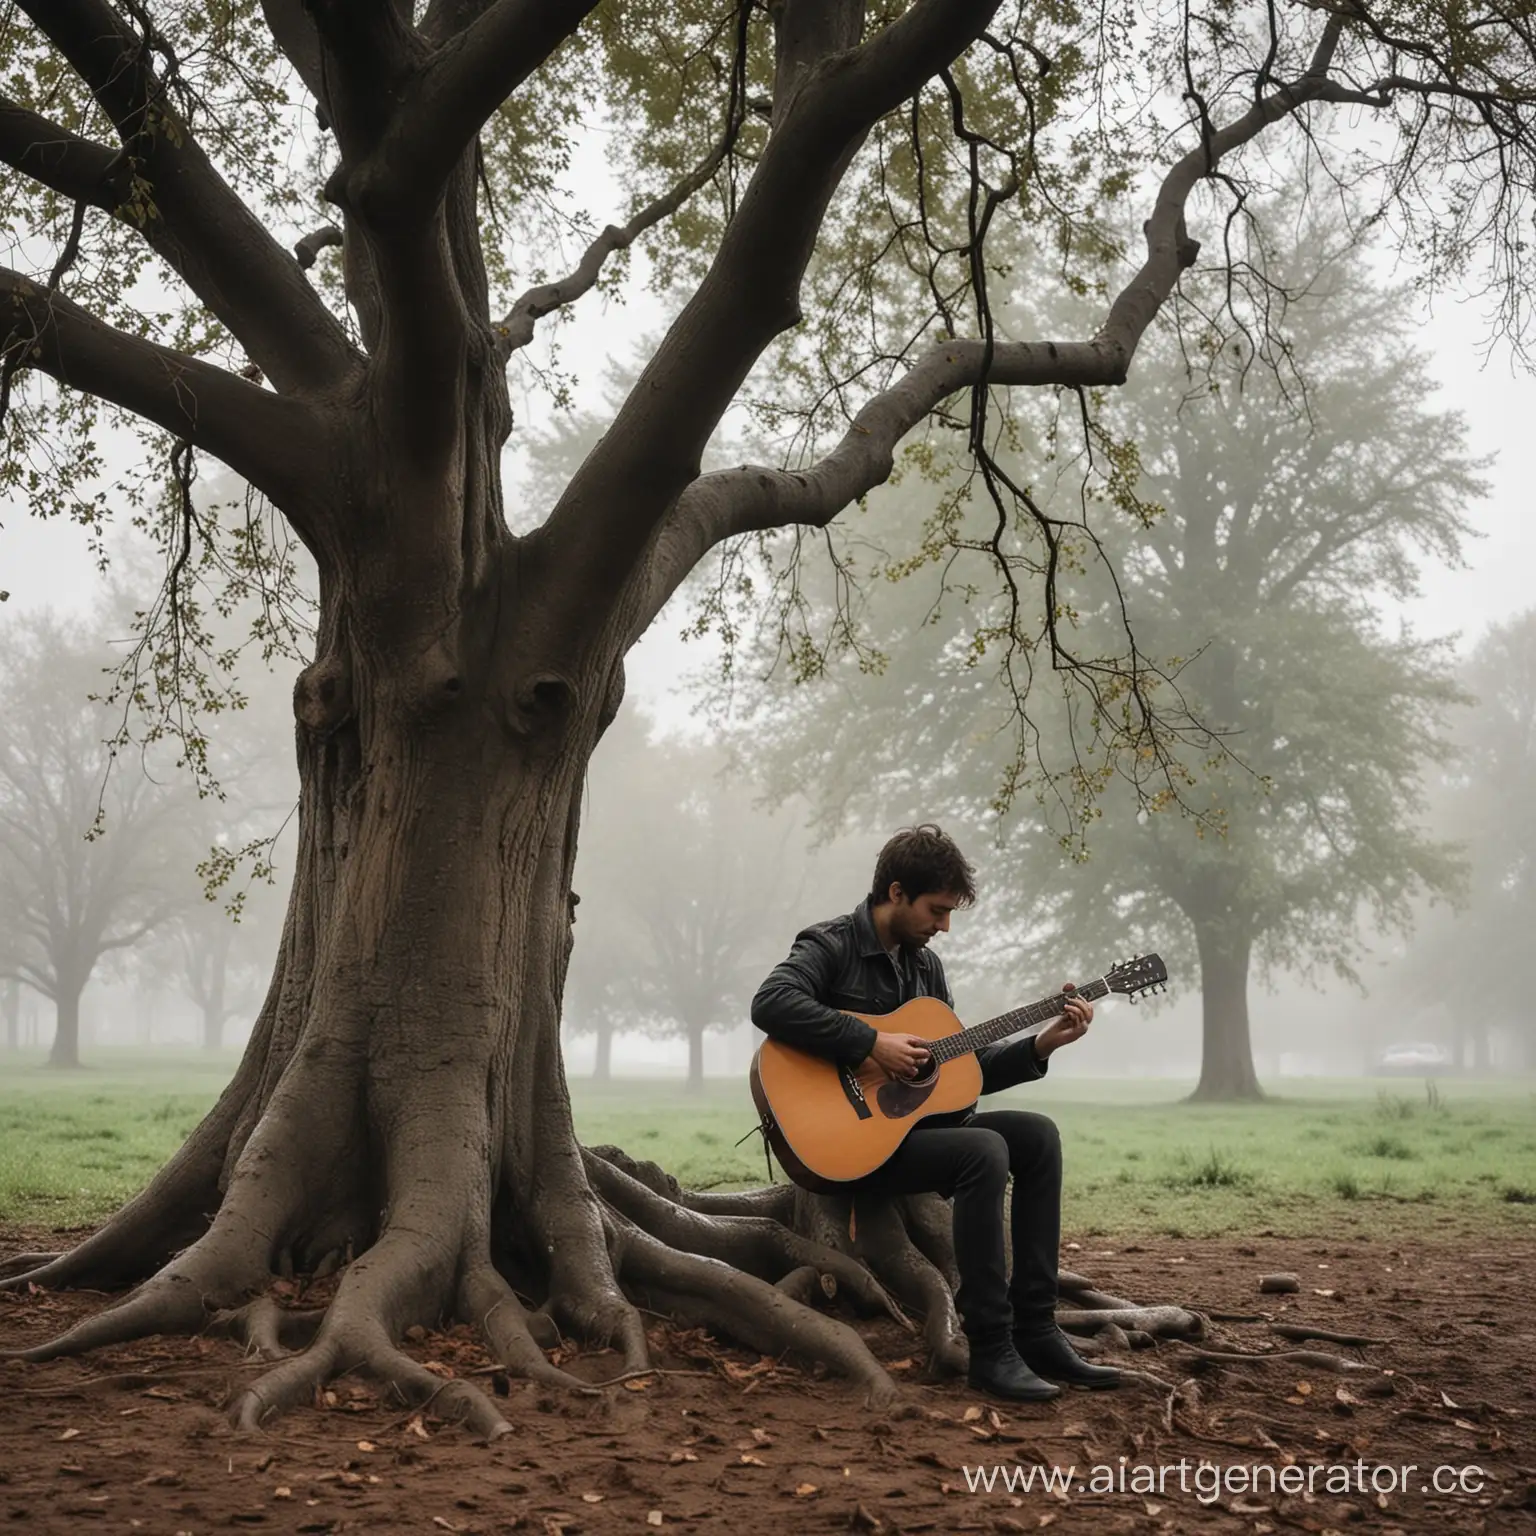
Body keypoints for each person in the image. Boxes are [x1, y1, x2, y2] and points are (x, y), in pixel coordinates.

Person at [750, 823, 1122, 1402]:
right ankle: (990, 1347)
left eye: (950, 913)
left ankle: (1038, 1330)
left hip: (911, 1135)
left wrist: (1043, 1045)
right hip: (841, 1145)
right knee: (985, 1149)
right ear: (895, 893)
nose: (944, 926)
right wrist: (871, 1044)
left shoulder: (925, 968)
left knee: (1036, 1136)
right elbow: (771, 1002)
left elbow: (956, 1072)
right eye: (937, 910)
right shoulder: (831, 944)